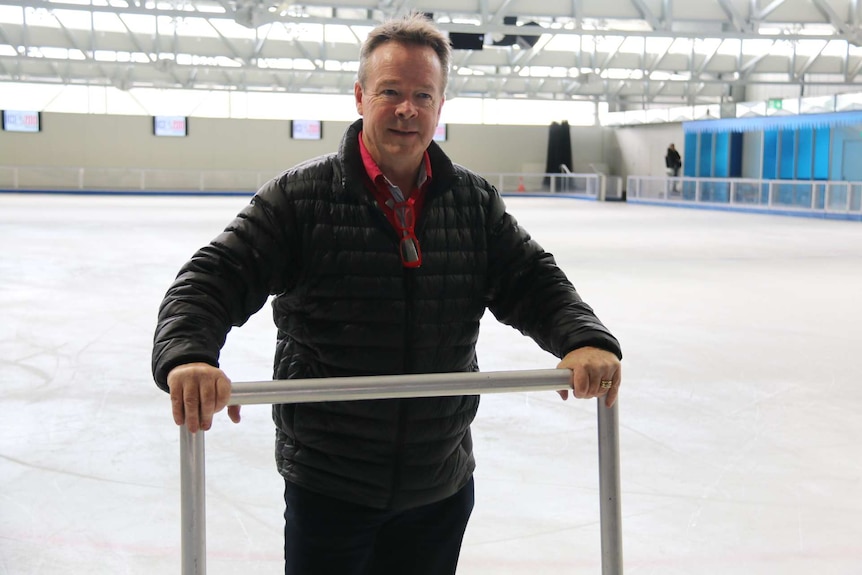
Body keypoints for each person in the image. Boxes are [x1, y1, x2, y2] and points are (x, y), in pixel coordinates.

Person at [152, 12, 622, 575]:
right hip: (331, 485)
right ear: (359, 96)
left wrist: (584, 338)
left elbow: (532, 280)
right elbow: (213, 277)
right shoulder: (301, 199)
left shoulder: (472, 202)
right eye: (391, 92)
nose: (407, 109)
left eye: (423, 95)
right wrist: (191, 355)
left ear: (441, 106)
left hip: (439, 483)